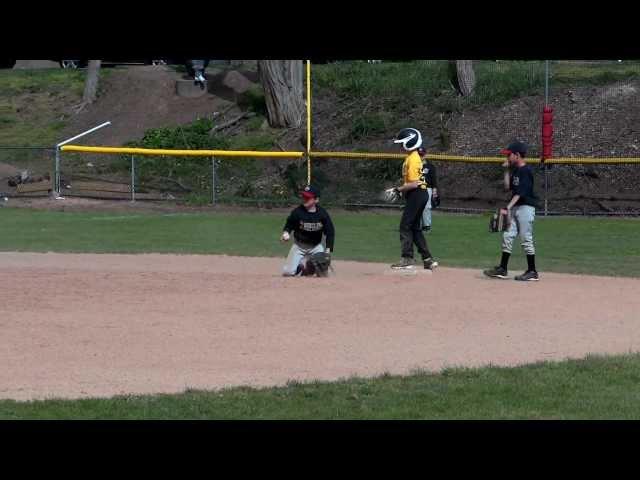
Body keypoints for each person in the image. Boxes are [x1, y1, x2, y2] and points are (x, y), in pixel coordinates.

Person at [483, 141, 539, 281]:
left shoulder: (526, 171)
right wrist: (506, 170)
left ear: (517, 155)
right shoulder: (516, 170)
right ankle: (502, 269)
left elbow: (520, 193)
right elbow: (508, 187)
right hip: (515, 207)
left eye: (509, 155)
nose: (507, 157)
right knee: (507, 236)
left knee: (526, 238)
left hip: (525, 208)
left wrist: (507, 208)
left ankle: (532, 271)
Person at [389, 128, 438, 270]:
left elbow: (414, 183)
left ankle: (407, 259)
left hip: (417, 193)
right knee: (415, 228)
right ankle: (427, 259)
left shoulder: (412, 158)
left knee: (405, 226)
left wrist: (398, 189)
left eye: (401, 143)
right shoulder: (414, 157)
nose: (400, 146)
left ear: (409, 142)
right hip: (420, 194)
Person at [281, 185, 335, 276]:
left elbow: (330, 232)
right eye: (304, 197)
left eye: (308, 197)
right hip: (299, 246)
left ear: (316, 200)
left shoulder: (322, 214)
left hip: (316, 247)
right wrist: (286, 233)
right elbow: (289, 224)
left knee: (322, 274)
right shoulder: (298, 212)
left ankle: (310, 266)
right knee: (288, 273)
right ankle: (300, 268)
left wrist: (328, 249)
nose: (305, 199)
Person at [417, 146, 439, 232]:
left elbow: (433, 179)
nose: (421, 156)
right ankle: (417, 226)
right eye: (419, 155)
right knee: (417, 207)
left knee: (426, 207)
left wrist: (434, 190)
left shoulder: (430, 166)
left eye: (422, 155)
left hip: (428, 189)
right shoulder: (415, 165)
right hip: (417, 188)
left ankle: (426, 226)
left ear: (425, 155)